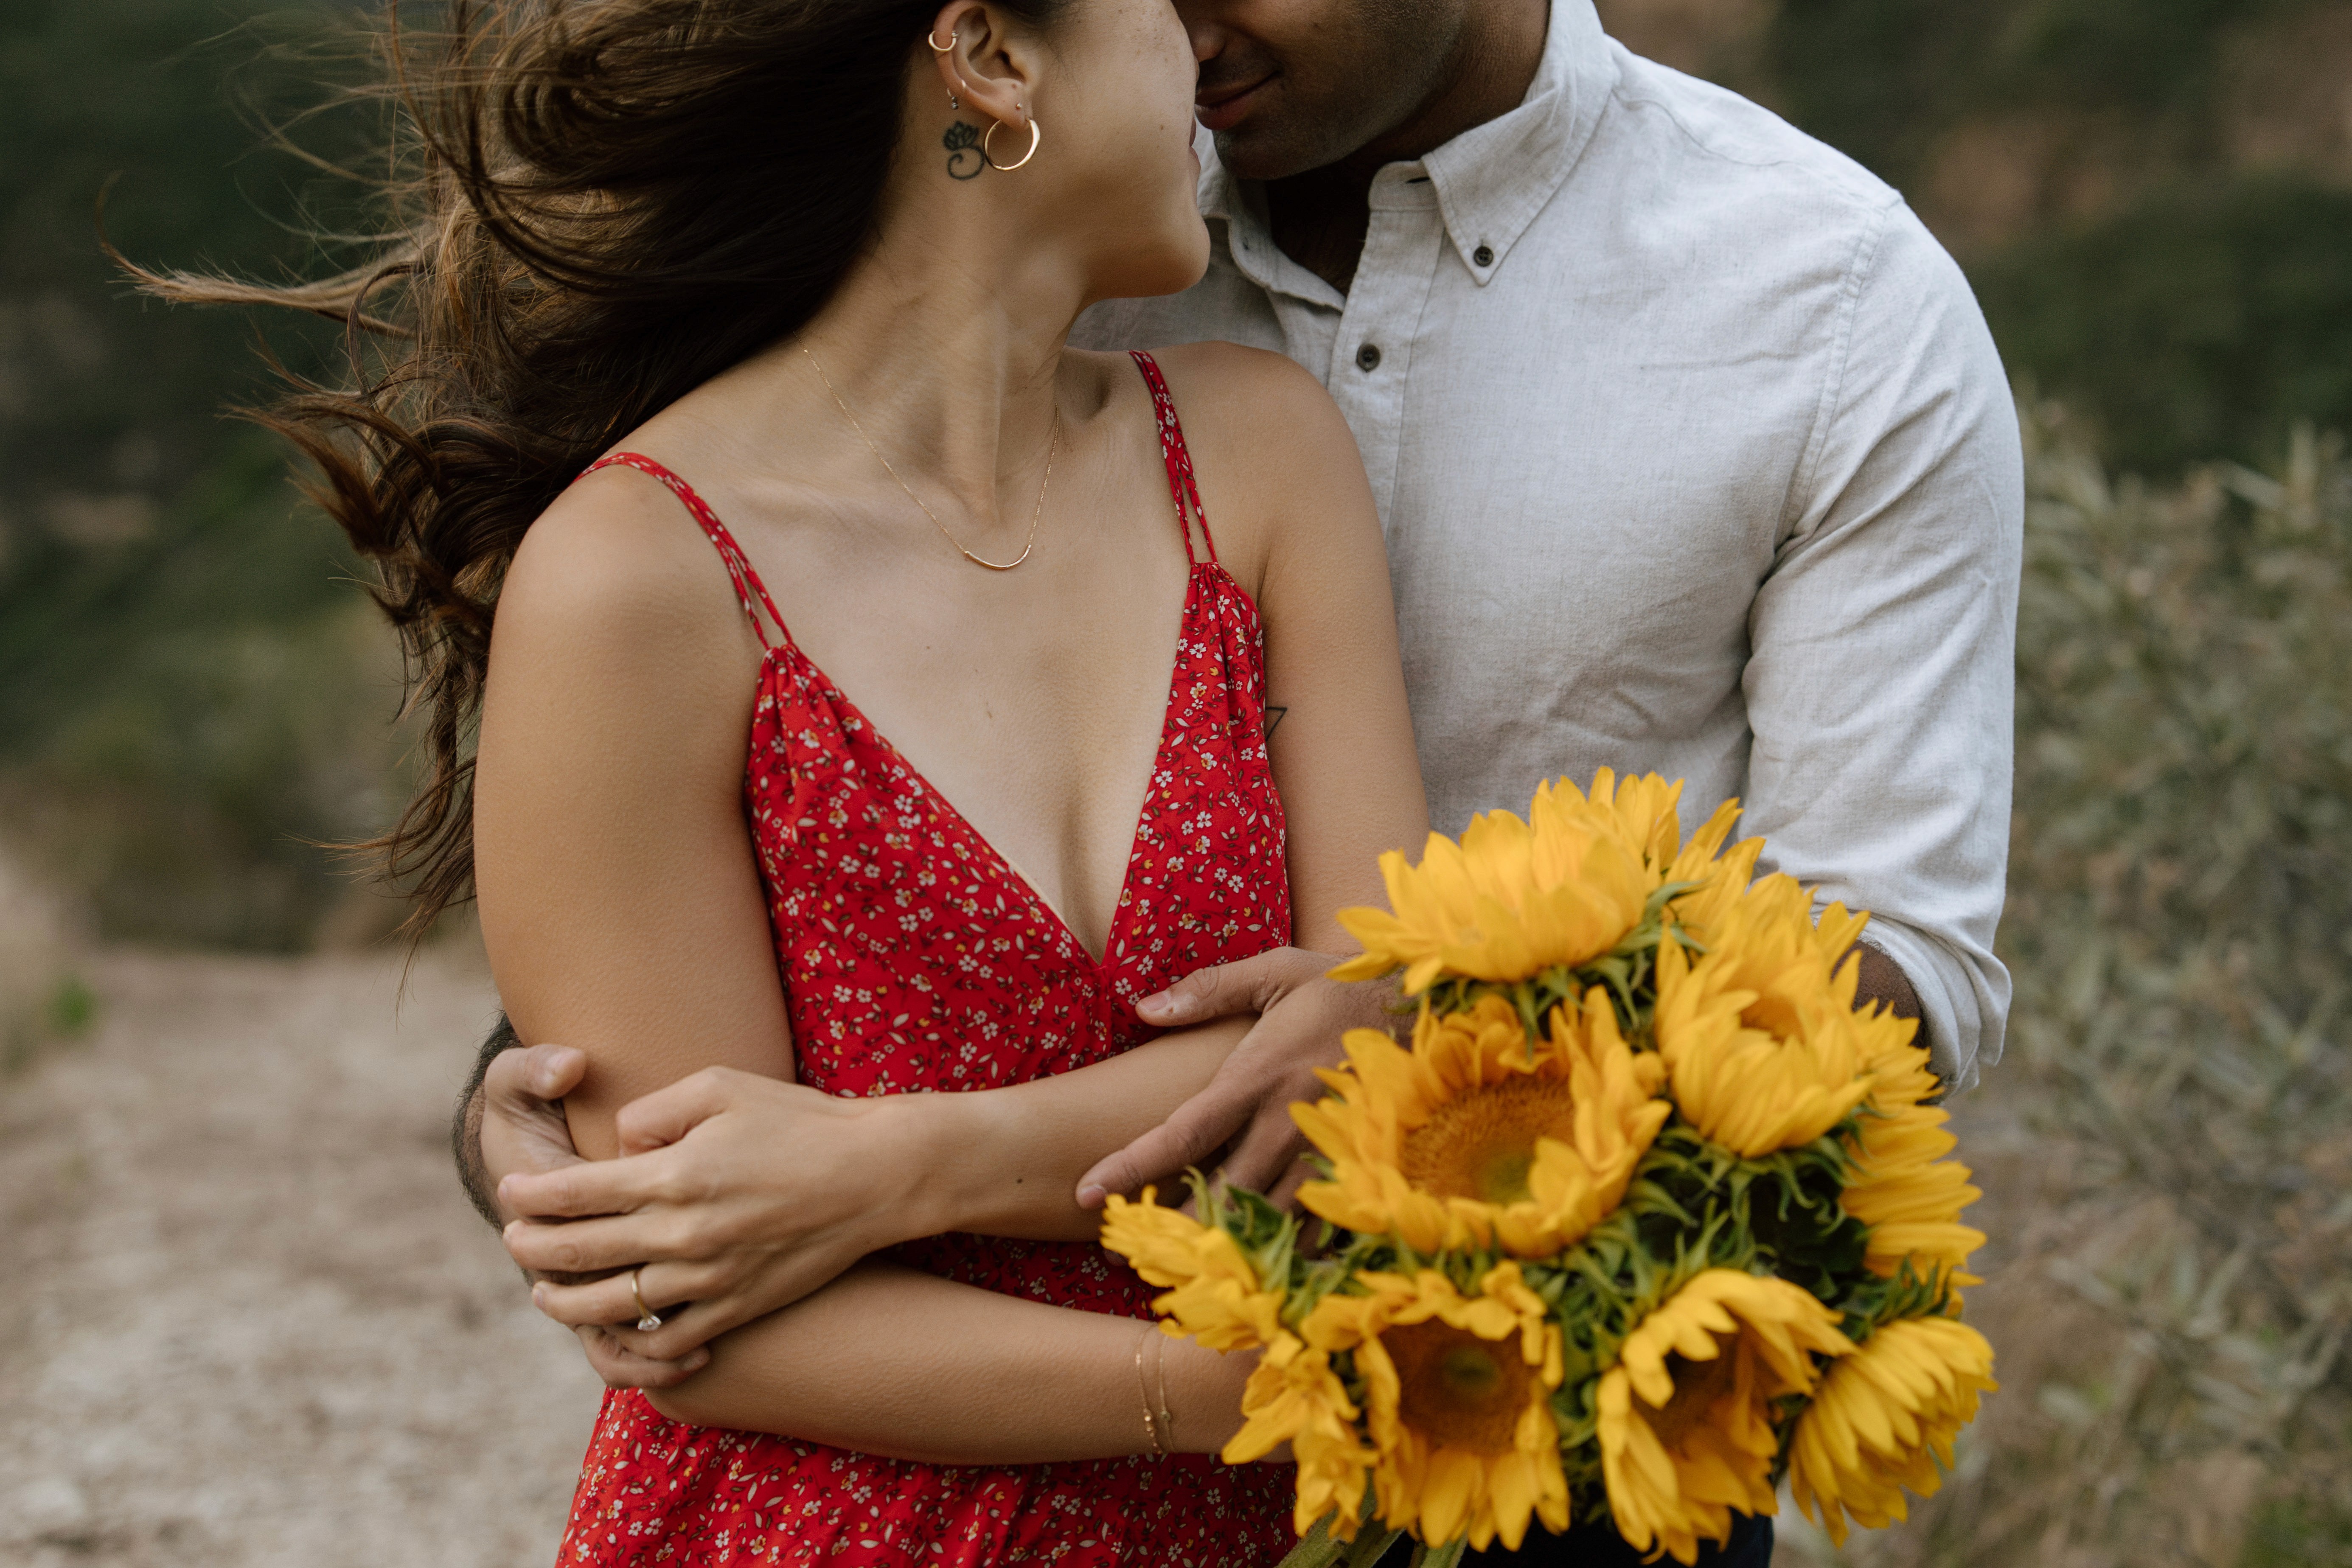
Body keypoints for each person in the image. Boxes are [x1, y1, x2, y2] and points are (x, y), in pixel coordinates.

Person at [469, 0, 2024, 1563]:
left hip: (1543, 1417)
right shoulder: (1080, 224)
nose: (1191, 30)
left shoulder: (1826, 301)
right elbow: (703, 1110)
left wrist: (899, 1168)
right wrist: (552, 1108)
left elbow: (1896, 956)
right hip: (927, 1475)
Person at [146, 0, 1444, 1561]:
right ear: (990, 56)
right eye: (1155, 6)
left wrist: (884, 1172)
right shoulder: (635, 578)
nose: (1199, 58)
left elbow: (1374, 1049)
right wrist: (1254, 1387)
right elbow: (696, 1306)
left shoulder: (1259, 453)